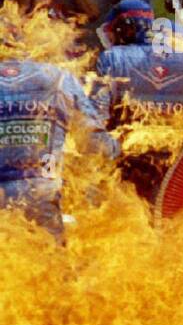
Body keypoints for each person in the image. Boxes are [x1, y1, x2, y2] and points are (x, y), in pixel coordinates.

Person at [0, 15, 118, 237]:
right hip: (41, 198)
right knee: (48, 265)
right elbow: (94, 142)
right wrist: (116, 149)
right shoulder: (58, 77)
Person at [91, 0, 183, 200]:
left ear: (123, 29)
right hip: (181, 169)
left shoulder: (112, 58)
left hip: (128, 168)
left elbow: (94, 121)